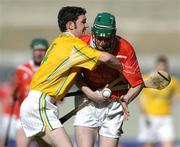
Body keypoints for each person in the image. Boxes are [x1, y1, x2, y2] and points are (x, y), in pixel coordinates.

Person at [20, 6, 123, 147]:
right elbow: (105, 58)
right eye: (83, 22)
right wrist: (124, 68)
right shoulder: (73, 45)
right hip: (41, 105)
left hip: (35, 103)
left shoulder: (59, 41)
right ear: (70, 25)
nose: (87, 25)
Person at [73, 12, 144, 147]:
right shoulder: (82, 44)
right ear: (93, 32)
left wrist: (127, 99)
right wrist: (90, 94)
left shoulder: (125, 49)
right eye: (99, 38)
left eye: (107, 39)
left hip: (114, 102)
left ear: (114, 34)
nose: (103, 42)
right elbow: (75, 74)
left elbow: (137, 83)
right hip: (87, 100)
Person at [13, 38, 49, 147]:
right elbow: (15, 92)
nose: (39, 53)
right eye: (36, 50)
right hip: (24, 115)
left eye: (42, 50)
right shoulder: (22, 69)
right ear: (33, 51)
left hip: (44, 116)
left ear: (46, 51)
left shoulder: (49, 69)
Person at [138, 55, 180, 147]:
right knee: (148, 144)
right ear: (155, 66)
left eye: (164, 66)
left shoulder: (173, 81)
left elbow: (177, 95)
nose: (162, 68)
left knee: (169, 143)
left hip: (165, 116)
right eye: (159, 66)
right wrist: (143, 110)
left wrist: (172, 102)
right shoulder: (146, 79)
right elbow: (139, 96)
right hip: (149, 116)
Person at [0, 72, 17, 147]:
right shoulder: (3, 88)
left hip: (16, 117)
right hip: (5, 116)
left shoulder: (20, 88)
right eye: (11, 77)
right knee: (2, 138)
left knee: (18, 138)